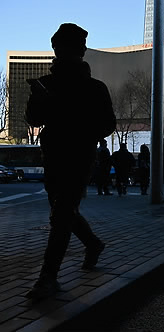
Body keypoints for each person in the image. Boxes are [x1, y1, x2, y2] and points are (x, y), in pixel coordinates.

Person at [24, 23, 116, 299]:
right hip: (53, 155)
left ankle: (47, 277)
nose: (63, 53)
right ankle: (93, 244)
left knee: (62, 213)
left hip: (79, 156)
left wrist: (76, 123)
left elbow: (107, 125)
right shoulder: (46, 84)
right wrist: (39, 100)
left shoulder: (94, 88)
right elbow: (34, 119)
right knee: (61, 209)